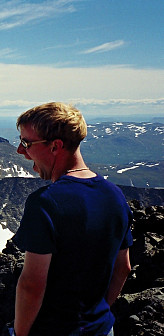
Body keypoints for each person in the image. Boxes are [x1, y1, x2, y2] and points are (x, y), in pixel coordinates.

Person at [10, 102, 133, 336]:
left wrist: (20, 334)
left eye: (26, 143)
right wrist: (97, 313)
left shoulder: (45, 203)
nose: (20, 150)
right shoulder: (115, 195)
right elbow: (123, 268)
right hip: (102, 328)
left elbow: (32, 284)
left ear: (56, 146)